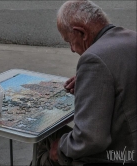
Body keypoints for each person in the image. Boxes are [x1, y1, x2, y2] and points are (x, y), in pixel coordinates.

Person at [35, 0, 137, 165]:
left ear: (81, 33)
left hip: (122, 155)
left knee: (45, 143)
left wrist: (60, 148)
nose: (72, 49)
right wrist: (91, 80)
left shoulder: (94, 60)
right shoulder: (131, 37)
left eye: (69, 41)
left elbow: (91, 139)